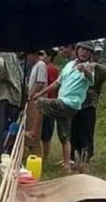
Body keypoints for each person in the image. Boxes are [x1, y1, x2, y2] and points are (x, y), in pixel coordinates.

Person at [32, 41, 96, 171]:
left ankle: (33, 132)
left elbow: (91, 79)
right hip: (63, 103)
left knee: (40, 104)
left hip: (69, 104)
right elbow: (57, 83)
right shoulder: (69, 65)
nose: (84, 52)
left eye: (88, 51)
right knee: (65, 136)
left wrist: (85, 70)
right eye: (82, 49)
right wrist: (41, 92)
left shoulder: (89, 67)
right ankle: (67, 166)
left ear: (90, 54)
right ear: (77, 50)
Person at [70, 45, 106, 171]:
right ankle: (72, 159)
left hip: (89, 105)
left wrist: (94, 65)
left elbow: (105, 73)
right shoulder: (76, 64)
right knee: (73, 132)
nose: (94, 56)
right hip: (75, 104)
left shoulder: (98, 69)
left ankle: (85, 160)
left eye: (96, 53)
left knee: (86, 133)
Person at [23, 51, 49, 157]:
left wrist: (31, 95)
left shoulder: (41, 65)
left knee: (35, 133)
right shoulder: (33, 67)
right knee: (29, 129)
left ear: (34, 54)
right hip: (32, 101)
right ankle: (32, 155)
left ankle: (37, 156)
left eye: (28, 55)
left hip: (37, 101)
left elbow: (40, 83)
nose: (27, 59)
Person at [40, 49, 60, 161]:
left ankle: (45, 157)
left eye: (43, 54)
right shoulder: (45, 67)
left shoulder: (51, 69)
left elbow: (53, 87)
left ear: (50, 56)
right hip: (46, 102)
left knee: (46, 133)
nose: (41, 57)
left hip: (49, 103)